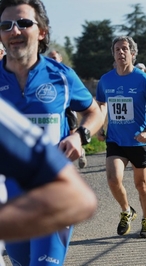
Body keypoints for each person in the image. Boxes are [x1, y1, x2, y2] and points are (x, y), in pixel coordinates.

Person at [0, 0, 103, 264]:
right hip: (8, 199)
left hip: (51, 192)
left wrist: (79, 136)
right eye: (6, 25)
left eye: (23, 23)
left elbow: (94, 112)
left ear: (42, 31)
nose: (14, 31)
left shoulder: (61, 76)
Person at [0, 97, 97, 265]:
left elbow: (79, 198)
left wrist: (78, 136)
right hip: (12, 190)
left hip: (48, 187)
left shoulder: (61, 75)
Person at [96, 36, 146, 239]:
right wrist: (100, 126)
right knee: (113, 179)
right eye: (117, 49)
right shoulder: (106, 80)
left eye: (125, 49)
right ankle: (126, 210)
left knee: (141, 185)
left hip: (137, 140)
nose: (121, 52)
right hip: (115, 139)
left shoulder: (143, 79)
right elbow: (100, 104)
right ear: (113, 54)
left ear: (133, 53)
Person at [47, 49, 88, 168]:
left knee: (72, 132)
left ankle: (80, 150)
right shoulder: (43, 73)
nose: (51, 61)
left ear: (60, 59)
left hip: (68, 108)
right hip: (52, 110)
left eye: (54, 58)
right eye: (49, 58)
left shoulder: (66, 74)